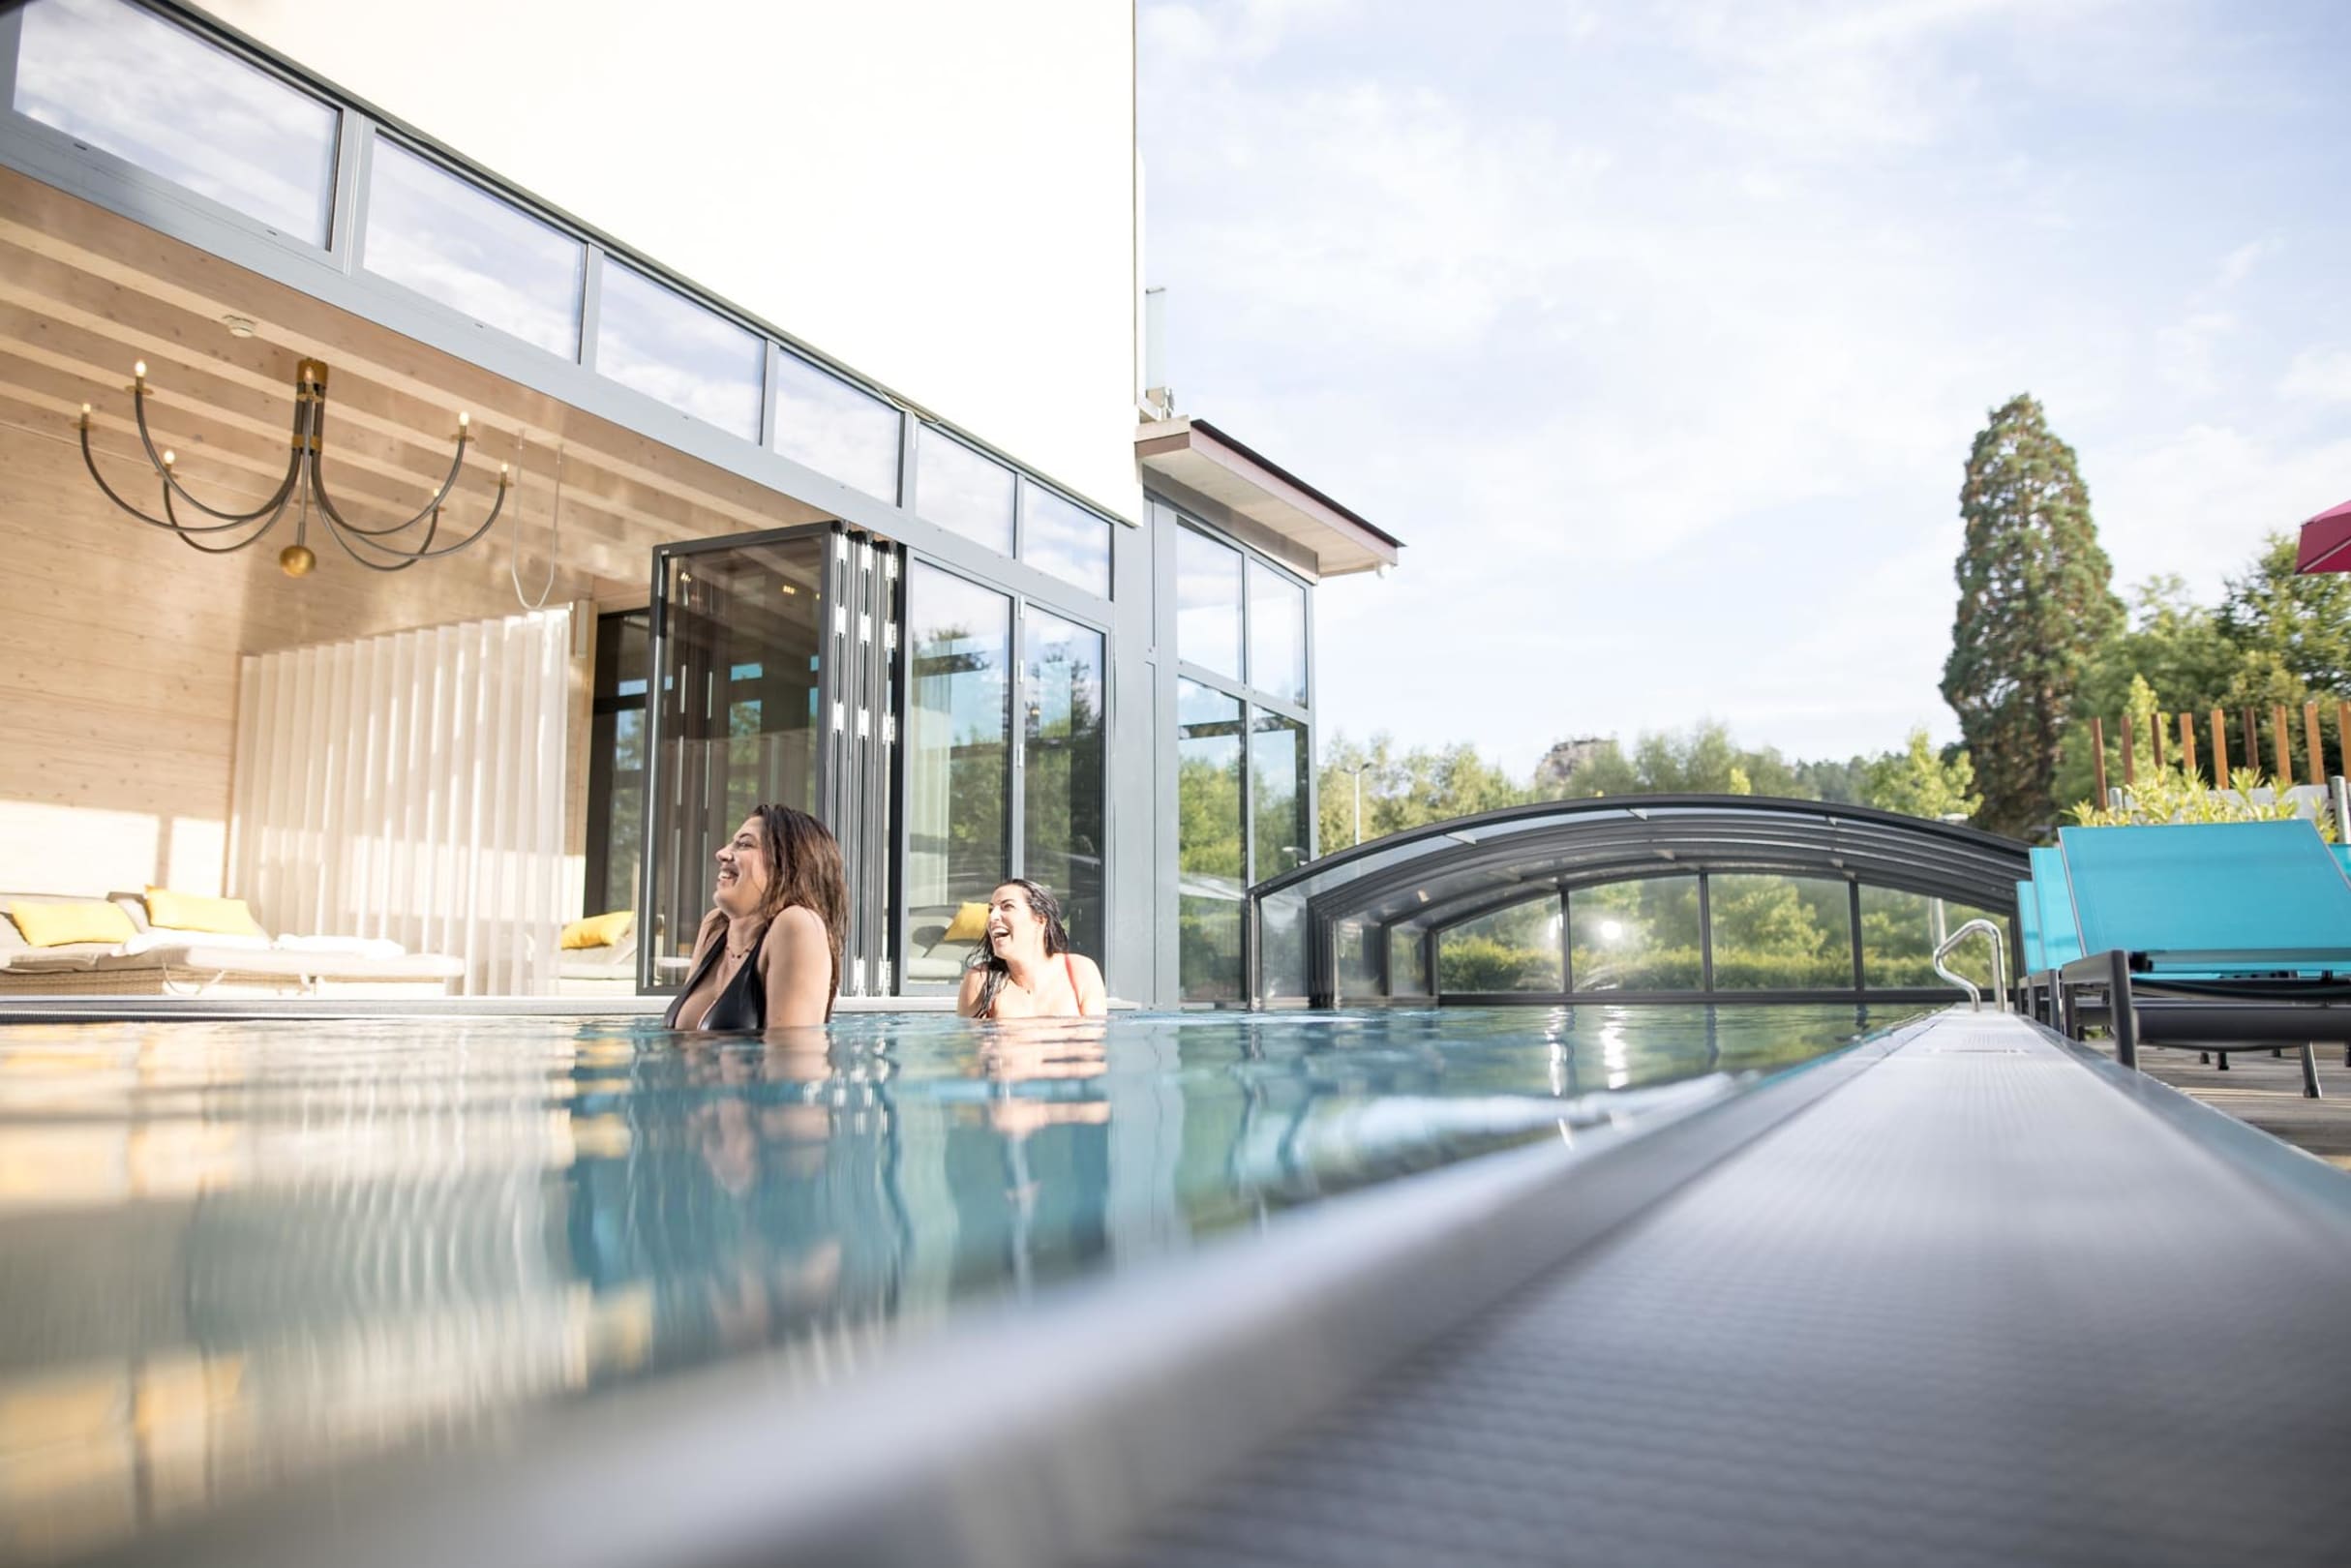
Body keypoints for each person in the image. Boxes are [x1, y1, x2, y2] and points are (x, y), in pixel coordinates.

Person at [665, 805, 847, 1030]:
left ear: (787, 864)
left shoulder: (797, 925)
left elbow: (793, 1049)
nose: (722, 853)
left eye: (744, 844)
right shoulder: (715, 927)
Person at [956, 879, 1107, 1019]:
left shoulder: (1080, 971)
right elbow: (968, 1038)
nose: (992, 917)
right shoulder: (981, 980)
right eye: (991, 910)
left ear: (1040, 919)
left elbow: (1093, 1037)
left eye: (1007, 906)